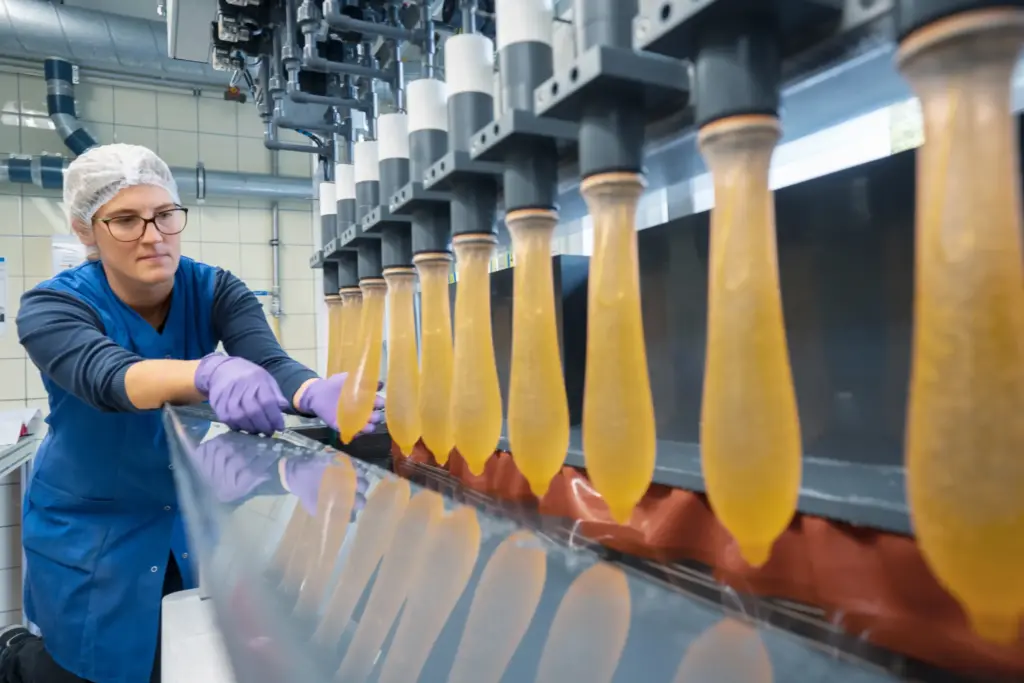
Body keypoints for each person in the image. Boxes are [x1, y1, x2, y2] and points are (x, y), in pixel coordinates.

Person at [0, 144, 382, 683]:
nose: (153, 236)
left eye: (164, 216)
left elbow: (268, 359)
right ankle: (15, 658)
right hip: (90, 524)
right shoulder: (51, 306)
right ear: (87, 230)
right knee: (85, 662)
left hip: (183, 511)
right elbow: (107, 376)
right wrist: (207, 372)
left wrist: (312, 391)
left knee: (177, 651)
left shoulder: (214, 287)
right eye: (126, 221)